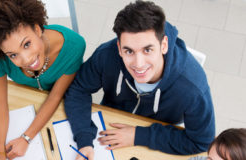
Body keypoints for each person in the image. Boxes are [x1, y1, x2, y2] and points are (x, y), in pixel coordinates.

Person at [64, 0, 215, 159]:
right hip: (109, 126)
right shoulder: (106, 55)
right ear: (119, 48)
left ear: (164, 45)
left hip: (158, 138)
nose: (138, 64)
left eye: (147, 50)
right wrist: (84, 139)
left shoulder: (193, 87)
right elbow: (78, 89)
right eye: (129, 51)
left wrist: (139, 135)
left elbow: (201, 141)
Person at [0, 0, 85, 159]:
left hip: (65, 102)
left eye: (27, 44)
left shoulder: (73, 46)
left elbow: (55, 96)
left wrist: (26, 138)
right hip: (27, 99)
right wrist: (0, 153)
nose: (27, 59)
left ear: (37, 29)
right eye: (13, 55)